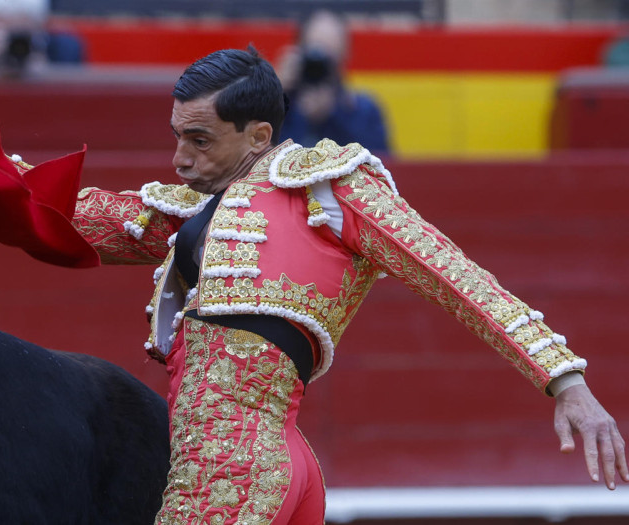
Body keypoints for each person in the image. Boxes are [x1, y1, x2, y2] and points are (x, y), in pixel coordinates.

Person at [69, 46, 626, 524]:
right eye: (177, 137)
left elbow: (450, 273)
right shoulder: (196, 213)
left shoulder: (326, 190)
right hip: (277, 458)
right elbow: (74, 216)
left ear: (259, 135)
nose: (180, 160)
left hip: (229, 460)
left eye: (200, 140)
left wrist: (564, 379)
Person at [277, 10, 390, 155]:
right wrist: (275, 93)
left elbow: (379, 165)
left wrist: (334, 115)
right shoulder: (278, 106)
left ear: (345, 54)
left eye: (328, 56)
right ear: (299, 50)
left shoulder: (363, 110)